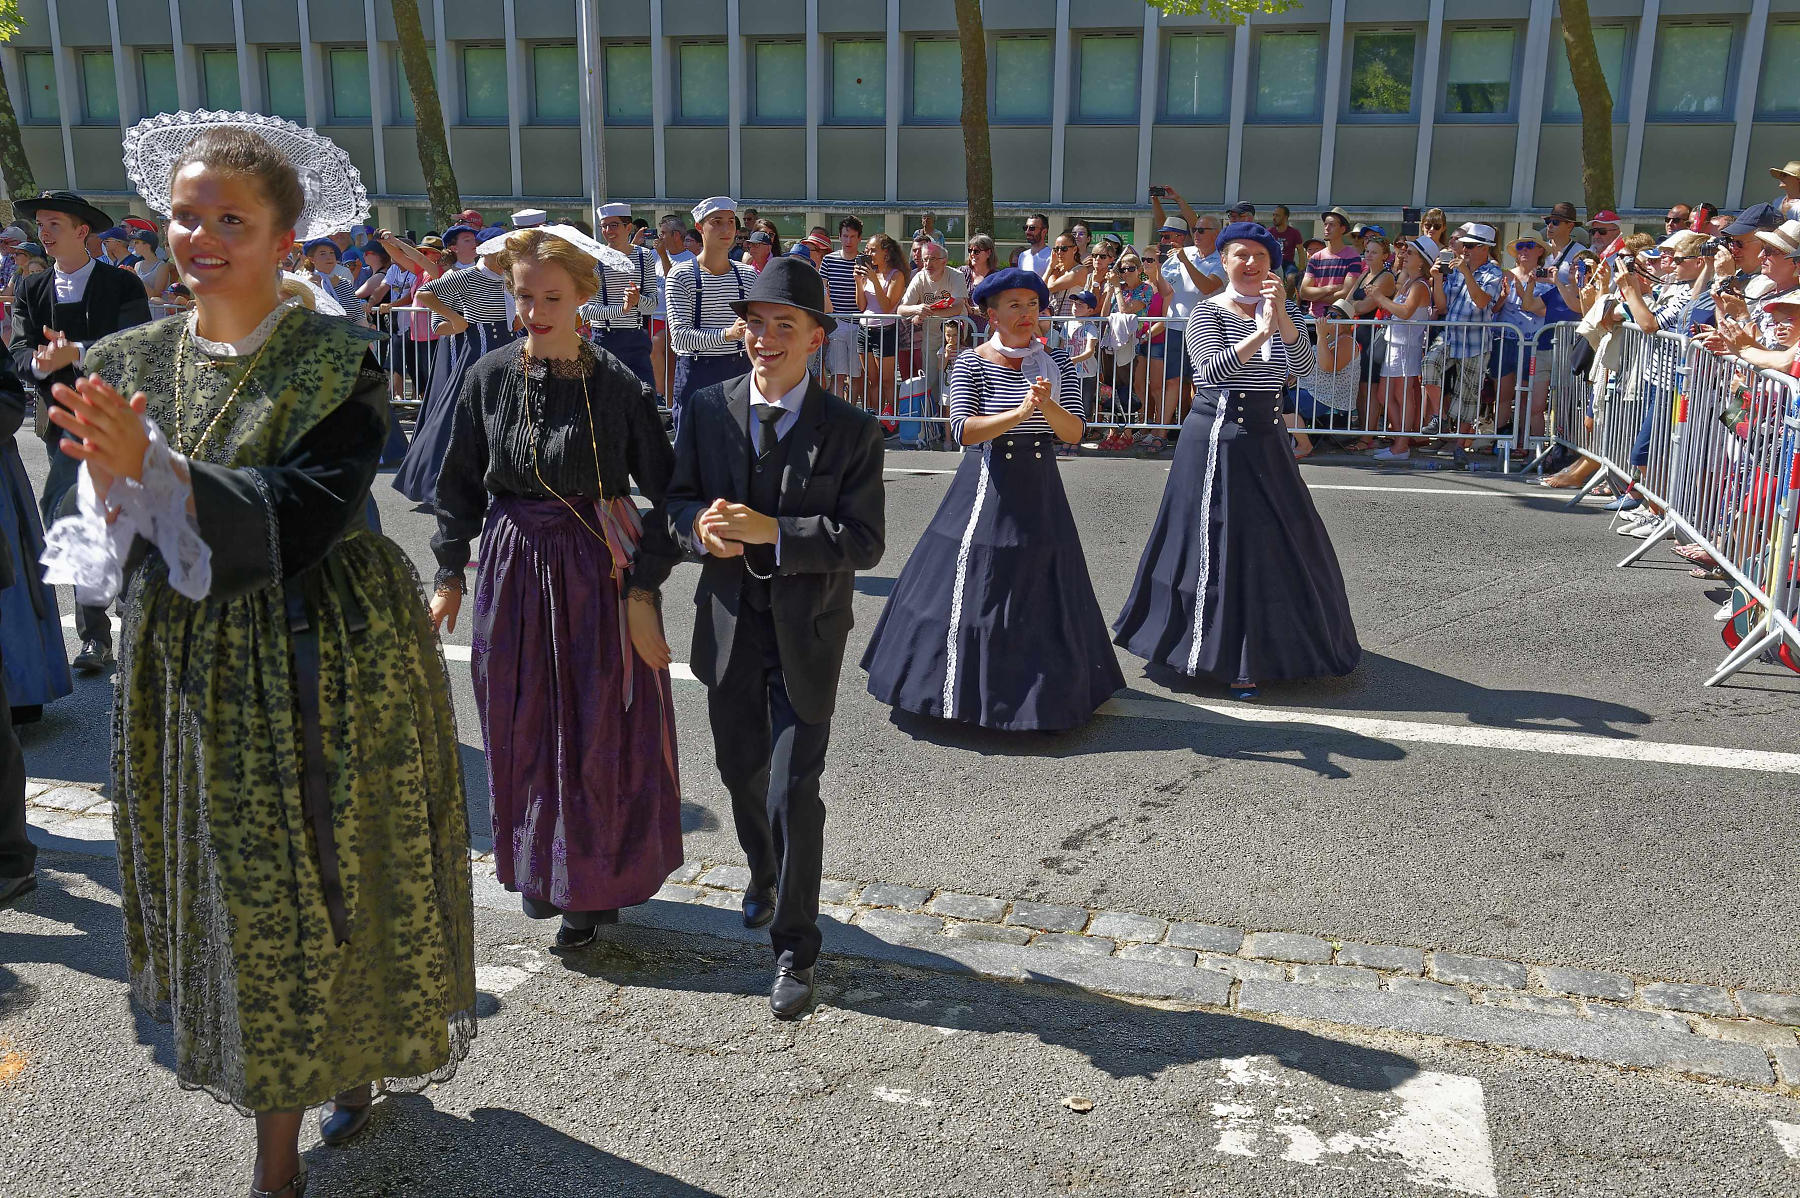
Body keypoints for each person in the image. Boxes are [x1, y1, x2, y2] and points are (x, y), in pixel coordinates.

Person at [39, 112, 473, 1197]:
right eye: (186, 216)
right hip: (188, 664)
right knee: (244, 898)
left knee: (332, 873)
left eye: (231, 217)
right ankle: (290, 1113)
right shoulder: (126, 355)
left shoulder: (334, 358)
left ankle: (289, 1150)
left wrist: (162, 466)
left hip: (323, 650)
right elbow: (107, 541)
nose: (201, 235)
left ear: (287, 237)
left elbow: (308, 512)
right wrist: (107, 471)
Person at [431, 226, 682, 950]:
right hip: (512, 565)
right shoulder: (487, 377)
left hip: (596, 567)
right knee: (520, 720)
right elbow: (458, 485)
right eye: (524, 295)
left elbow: (671, 496)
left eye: (551, 297)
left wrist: (641, 592)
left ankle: (592, 886)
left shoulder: (618, 387)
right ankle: (539, 866)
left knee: (598, 726)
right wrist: (449, 570)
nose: (535, 310)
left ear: (583, 298)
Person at [666, 256, 886, 1020]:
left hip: (808, 635)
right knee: (740, 774)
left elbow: (863, 540)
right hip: (728, 629)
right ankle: (762, 872)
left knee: (797, 792)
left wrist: (774, 533)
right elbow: (676, 502)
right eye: (754, 324)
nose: (765, 339)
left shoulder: (852, 430)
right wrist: (697, 529)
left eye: (783, 326)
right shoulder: (705, 408)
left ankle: (795, 945)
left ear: (816, 338)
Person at [862, 266, 1122, 730]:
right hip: (989, 479)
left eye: (1032, 304)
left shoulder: (1058, 362)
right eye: (1014, 306)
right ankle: (959, 695)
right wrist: (1020, 409)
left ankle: (1040, 695)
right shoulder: (972, 361)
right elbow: (963, 430)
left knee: (1041, 580)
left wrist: (1045, 407)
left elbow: (1075, 431)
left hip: (1041, 481)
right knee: (976, 579)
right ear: (991, 314)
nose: (1027, 314)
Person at [1113, 222, 1359, 698]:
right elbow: (1211, 371)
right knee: (1219, 542)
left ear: (1272, 266)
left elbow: (1305, 371)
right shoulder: (1209, 311)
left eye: (1260, 257)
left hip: (1267, 437)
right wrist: (1259, 331)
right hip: (1217, 438)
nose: (1251, 264)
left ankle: (1276, 648)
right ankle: (1214, 653)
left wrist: (1282, 319)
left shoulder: (1279, 311)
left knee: (1277, 539)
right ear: (1224, 262)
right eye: (1241, 256)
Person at [9, 189, 152, 673]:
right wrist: (39, 361)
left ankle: (137, 622)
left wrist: (80, 353)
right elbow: (19, 354)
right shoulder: (31, 288)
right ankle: (95, 638)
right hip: (63, 426)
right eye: (41, 225)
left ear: (81, 231)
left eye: (54, 225)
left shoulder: (122, 285)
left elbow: (134, 350)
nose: (43, 234)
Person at [393, 223, 519, 508]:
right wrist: (456, 320)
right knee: (470, 420)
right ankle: (459, 485)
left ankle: (502, 483)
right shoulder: (468, 276)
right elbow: (425, 294)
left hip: (508, 349)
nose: (505, 255)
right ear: (486, 251)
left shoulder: (510, 276)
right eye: (500, 250)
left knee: (505, 418)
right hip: (479, 351)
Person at [666, 196, 757, 436]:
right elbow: (680, 338)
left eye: (730, 222)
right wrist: (727, 334)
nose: (726, 229)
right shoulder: (680, 275)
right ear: (699, 227)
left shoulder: (747, 276)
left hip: (740, 373)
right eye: (716, 222)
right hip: (697, 374)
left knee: (739, 457)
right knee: (693, 460)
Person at [1424, 223, 1503, 460]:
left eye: (1469, 245)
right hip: (1451, 334)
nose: (1464, 249)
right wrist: (1437, 279)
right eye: (1464, 245)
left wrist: (1467, 273)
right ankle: (1442, 417)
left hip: (1476, 341)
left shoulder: (1494, 273)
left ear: (1484, 248)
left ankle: (1459, 446)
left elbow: (1481, 302)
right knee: (1429, 364)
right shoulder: (1456, 269)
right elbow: (1442, 306)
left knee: (1467, 396)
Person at [1368, 235, 1441, 460]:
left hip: (1406, 346)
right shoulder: (1409, 282)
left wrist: (1380, 297)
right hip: (1397, 344)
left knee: (1401, 394)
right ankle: (1402, 440)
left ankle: (1401, 444)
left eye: (1410, 252)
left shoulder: (1419, 285)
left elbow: (1405, 313)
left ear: (1421, 261)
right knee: (1385, 394)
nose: (1404, 254)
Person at [582, 202, 662, 391]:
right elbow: (587, 310)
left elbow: (651, 305)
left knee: (643, 399)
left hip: (637, 339)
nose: (608, 230)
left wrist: (637, 301)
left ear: (628, 228)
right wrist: (623, 308)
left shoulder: (645, 257)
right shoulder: (594, 258)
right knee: (605, 401)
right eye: (604, 225)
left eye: (614, 225)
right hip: (604, 339)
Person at [857, 233, 907, 417]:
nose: (868, 253)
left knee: (887, 380)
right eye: (867, 250)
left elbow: (887, 307)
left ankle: (893, 419)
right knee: (872, 380)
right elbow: (862, 305)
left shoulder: (896, 275)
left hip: (885, 330)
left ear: (886, 252)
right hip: (864, 329)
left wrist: (874, 280)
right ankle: (876, 418)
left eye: (873, 250)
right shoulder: (870, 274)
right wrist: (858, 281)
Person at [819, 217, 866, 398]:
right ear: (839, 236)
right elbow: (822, 289)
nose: (848, 241)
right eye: (845, 236)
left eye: (852, 237)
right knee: (837, 375)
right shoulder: (829, 260)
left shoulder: (863, 262)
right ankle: (838, 415)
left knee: (856, 375)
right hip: (836, 323)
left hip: (859, 324)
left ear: (859, 238)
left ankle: (851, 415)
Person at [1298, 207, 1365, 318]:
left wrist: (1316, 295)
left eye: (1332, 225)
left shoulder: (1353, 257)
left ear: (1342, 229)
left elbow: (1346, 293)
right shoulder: (1315, 258)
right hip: (1313, 317)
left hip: (1339, 319)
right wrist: (1330, 288)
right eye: (1325, 224)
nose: (1327, 228)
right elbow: (1304, 292)